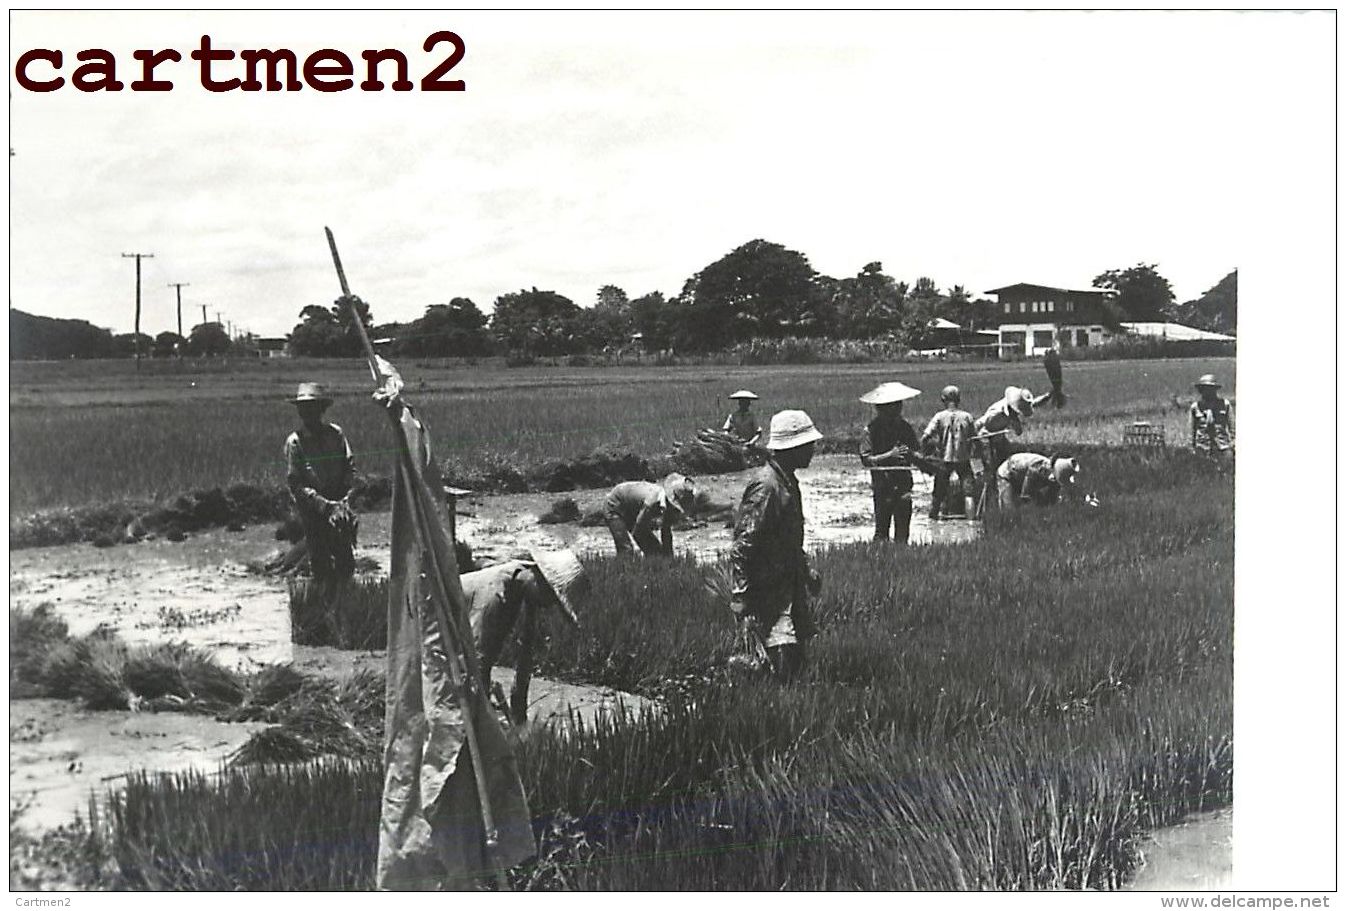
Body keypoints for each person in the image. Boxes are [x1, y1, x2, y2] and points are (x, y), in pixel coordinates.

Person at [730, 410, 823, 680]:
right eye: (808, 444)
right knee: (778, 661)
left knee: (794, 660)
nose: (813, 449)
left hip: (786, 586)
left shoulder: (787, 481)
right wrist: (740, 595)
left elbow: (789, 539)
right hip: (767, 592)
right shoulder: (767, 487)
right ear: (792, 448)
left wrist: (806, 572)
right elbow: (743, 546)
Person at [465, 550, 587, 725]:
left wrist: (518, 713)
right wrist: (483, 714)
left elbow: (525, 652)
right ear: (539, 580)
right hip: (431, 621)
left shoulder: (522, 583)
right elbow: (477, 659)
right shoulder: (495, 594)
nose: (547, 605)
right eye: (550, 596)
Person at [283, 382, 357, 592]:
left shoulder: (336, 434)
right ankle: (323, 611)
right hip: (314, 511)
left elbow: (349, 467)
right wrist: (325, 506)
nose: (308, 412)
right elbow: (296, 483)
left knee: (345, 562)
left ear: (322, 409)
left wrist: (345, 501)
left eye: (313, 407)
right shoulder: (295, 442)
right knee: (321, 565)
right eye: (304, 408)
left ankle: (346, 607)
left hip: (339, 505)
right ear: (299, 411)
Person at [859, 382, 927, 543]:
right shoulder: (871, 430)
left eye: (899, 405)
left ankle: (901, 560)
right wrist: (890, 454)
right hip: (883, 485)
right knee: (881, 533)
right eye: (893, 405)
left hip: (903, 484)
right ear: (881, 408)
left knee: (903, 533)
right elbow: (866, 459)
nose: (898, 408)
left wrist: (912, 455)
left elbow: (917, 452)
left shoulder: (904, 427)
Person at [973, 385, 1035, 516]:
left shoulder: (1012, 413)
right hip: (985, 438)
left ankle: (1007, 498)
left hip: (998, 437)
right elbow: (979, 425)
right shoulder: (996, 412)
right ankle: (988, 506)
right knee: (991, 471)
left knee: (1006, 465)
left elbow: (1018, 431)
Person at [604, 473, 697, 556]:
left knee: (656, 551)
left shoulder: (669, 508)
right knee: (626, 550)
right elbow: (638, 531)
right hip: (614, 505)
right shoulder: (651, 502)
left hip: (632, 508)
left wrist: (668, 557)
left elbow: (666, 532)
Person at [922, 385, 976, 520]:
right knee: (968, 493)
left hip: (944, 459)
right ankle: (971, 523)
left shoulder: (939, 417)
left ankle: (933, 520)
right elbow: (974, 438)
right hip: (963, 459)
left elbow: (925, 437)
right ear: (959, 400)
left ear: (943, 400)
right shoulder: (967, 416)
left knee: (938, 493)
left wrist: (926, 453)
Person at [996, 453, 1079, 509]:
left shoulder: (1054, 478)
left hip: (1020, 477)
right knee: (1009, 510)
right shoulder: (1038, 470)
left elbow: (1050, 499)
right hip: (1007, 474)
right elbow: (1026, 496)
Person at [1190, 374, 1234, 455]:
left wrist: (1233, 444)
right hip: (1202, 447)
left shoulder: (1225, 405)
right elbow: (1191, 431)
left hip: (1222, 447)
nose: (1208, 392)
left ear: (1215, 389)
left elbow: (1233, 428)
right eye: (1205, 389)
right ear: (1201, 390)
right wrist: (1192, 447)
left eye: (1211, 389)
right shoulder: (1196, 407)